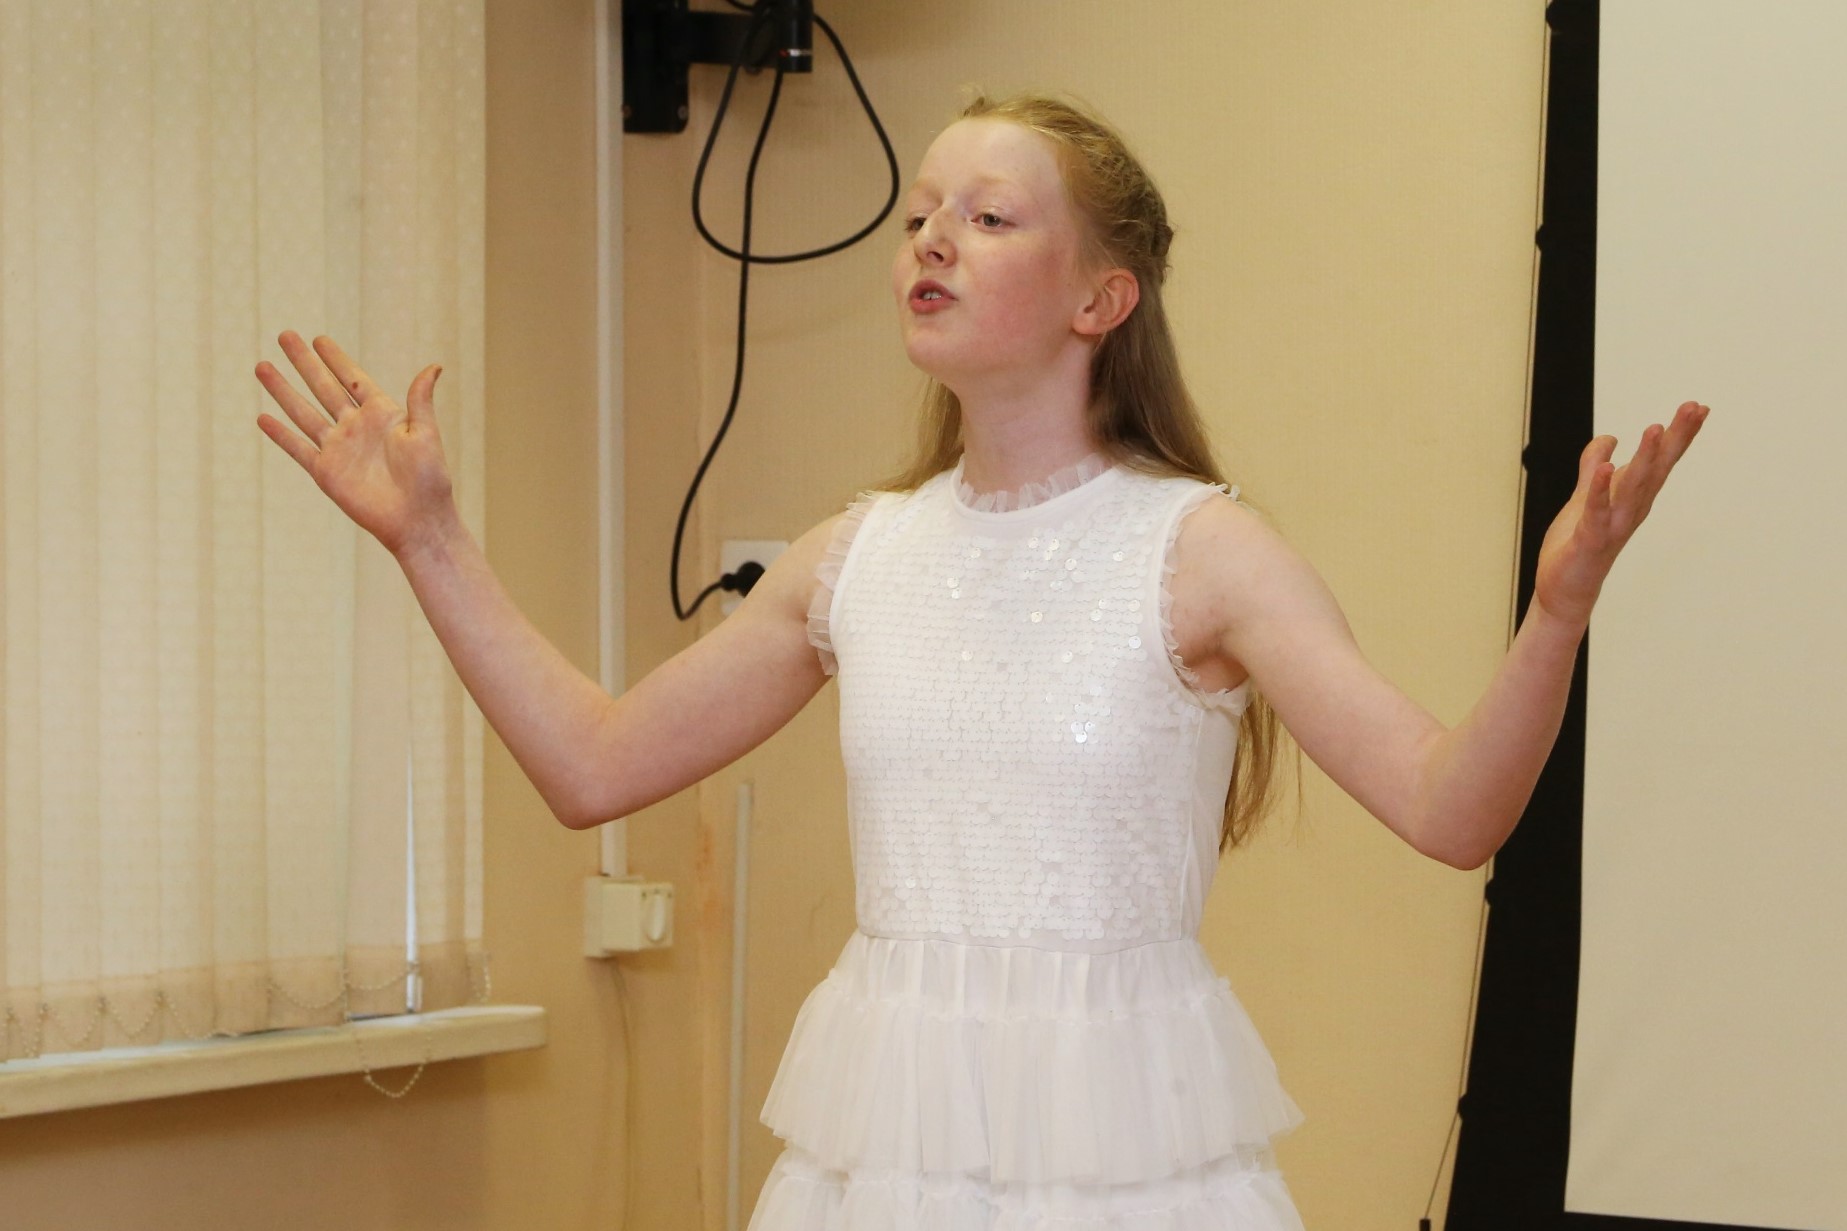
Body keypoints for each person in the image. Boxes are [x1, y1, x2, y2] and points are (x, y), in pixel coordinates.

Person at [254, 91, 1706, 1228]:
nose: (931, 241)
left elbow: (1453, 812)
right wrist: (430, 541)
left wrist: (1556, 614)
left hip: (1129, 1163)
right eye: (919, 214)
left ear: (1101, 300)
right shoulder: (852, 557)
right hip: (885, 1157)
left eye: (990, 217)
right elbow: (593, 766)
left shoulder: (1203, 552)